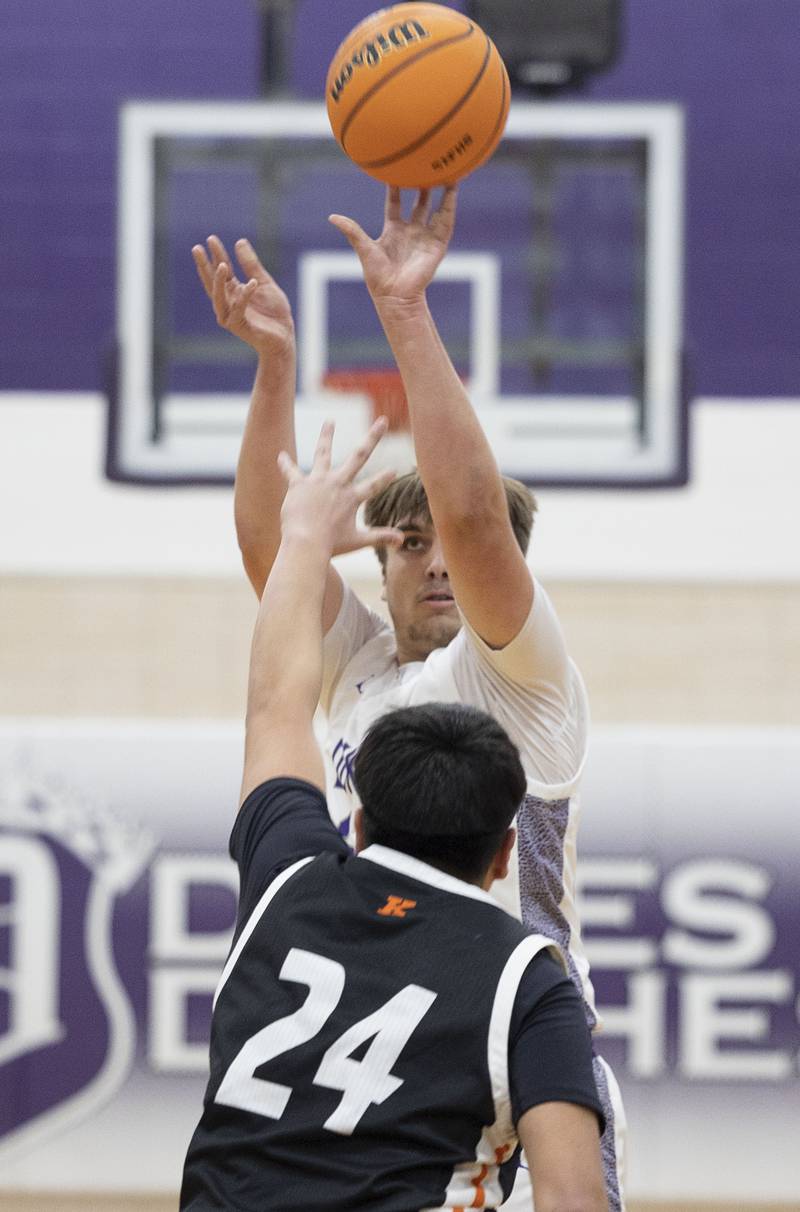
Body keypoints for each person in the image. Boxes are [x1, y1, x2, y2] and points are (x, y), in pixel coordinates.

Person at [192, 185, 626, 1211]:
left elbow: (475, 518)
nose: (437, 562)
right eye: (406, 541)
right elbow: (275, 553)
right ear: (375, 568)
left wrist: (404, 310)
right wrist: (275, 371)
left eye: (455, 546)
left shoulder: (519, 678)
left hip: (506, 1042)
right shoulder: (361, 670)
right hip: (374, 1023)